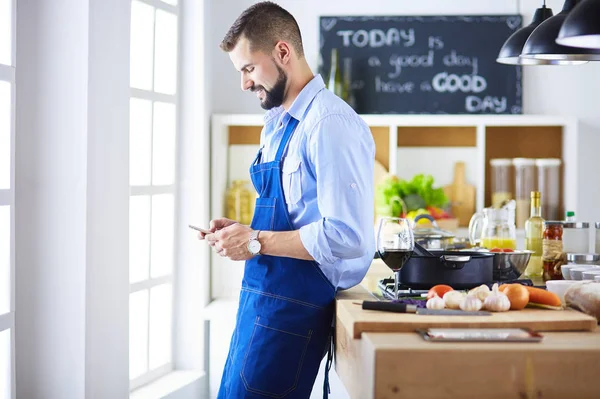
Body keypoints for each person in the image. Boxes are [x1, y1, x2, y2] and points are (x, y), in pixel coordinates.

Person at [199, 2, 375, 398]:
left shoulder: (330, 123)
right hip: (258, 303)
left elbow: (348, 236)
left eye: (248, 68)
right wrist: (240, 234)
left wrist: (256, 240)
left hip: (292, 310)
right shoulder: (277, 123)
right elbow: (290, 214)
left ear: (282, 52)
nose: (244, 83)